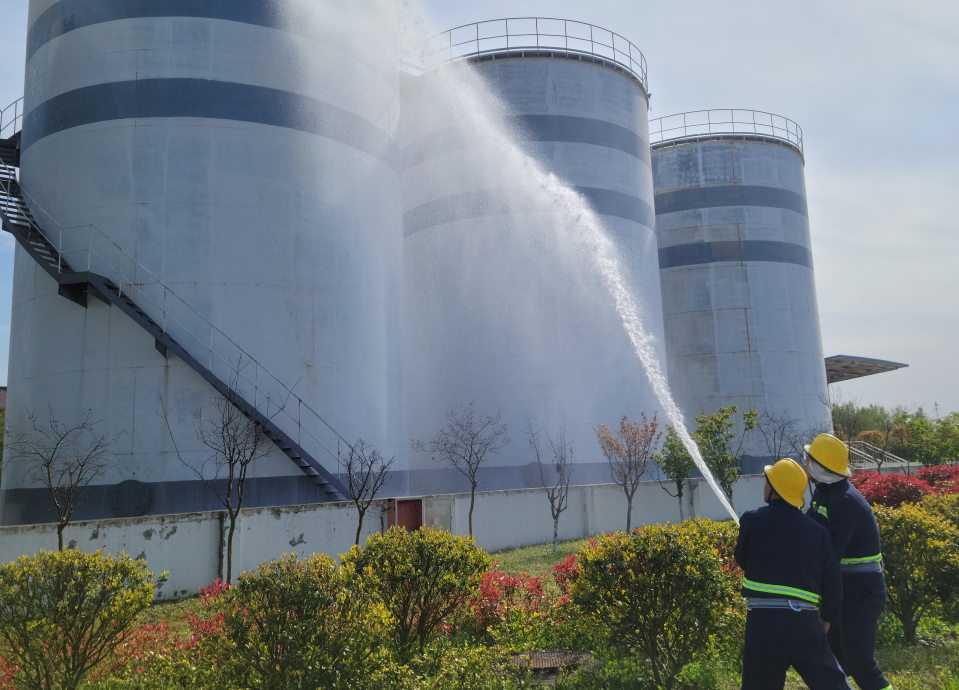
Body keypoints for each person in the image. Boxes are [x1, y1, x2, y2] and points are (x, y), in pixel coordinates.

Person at [735, 458, 851, 690]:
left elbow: (742, 558)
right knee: (833, 684)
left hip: (762, 623)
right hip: (804, 622)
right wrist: (826, 620)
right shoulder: (818, 532)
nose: (764, 486)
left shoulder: (751, 519)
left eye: (767, 482)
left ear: (774, 489)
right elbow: (832, 582)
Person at [805, 433, 891, 690]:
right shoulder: (825, 493)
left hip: (861, 592)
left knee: (859, 661)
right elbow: (809, 532)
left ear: (820, 466)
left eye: (809, 459)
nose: (804, 463)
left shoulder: (845, 502)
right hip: (845, 588)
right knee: (834, 661)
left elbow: (828, 555)